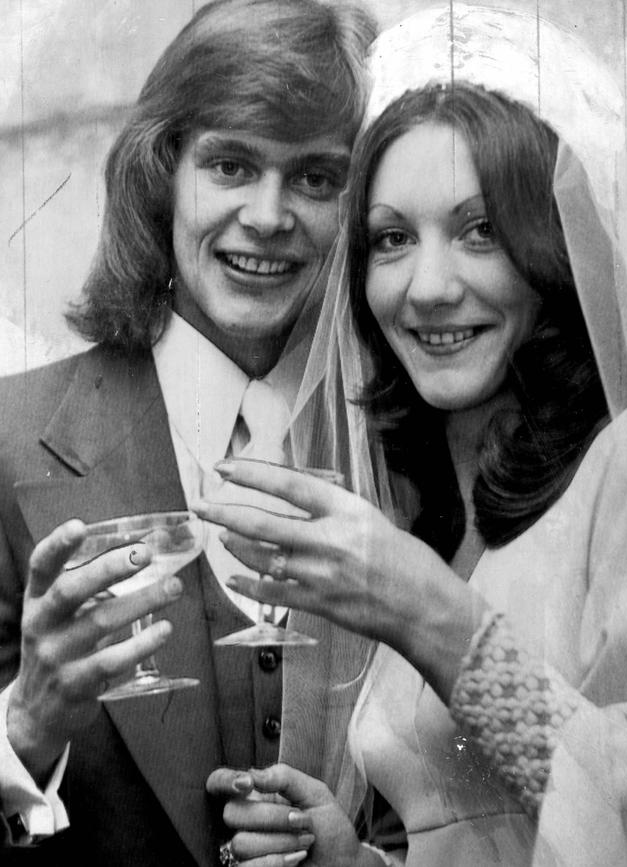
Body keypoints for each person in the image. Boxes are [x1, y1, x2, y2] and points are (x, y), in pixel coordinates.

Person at [197, 5, 627, 865]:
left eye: (481, 231)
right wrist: (352, 857)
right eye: (393, 238)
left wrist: (434, 617)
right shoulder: (424, 508)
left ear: (557, 243)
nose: (428, 286)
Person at [0, 1, 376, 864]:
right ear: (162, 173)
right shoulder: (9, 439)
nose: (270, 215)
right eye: (232, 165)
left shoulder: (403, 449)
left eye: (318, 177)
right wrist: (21, 731)